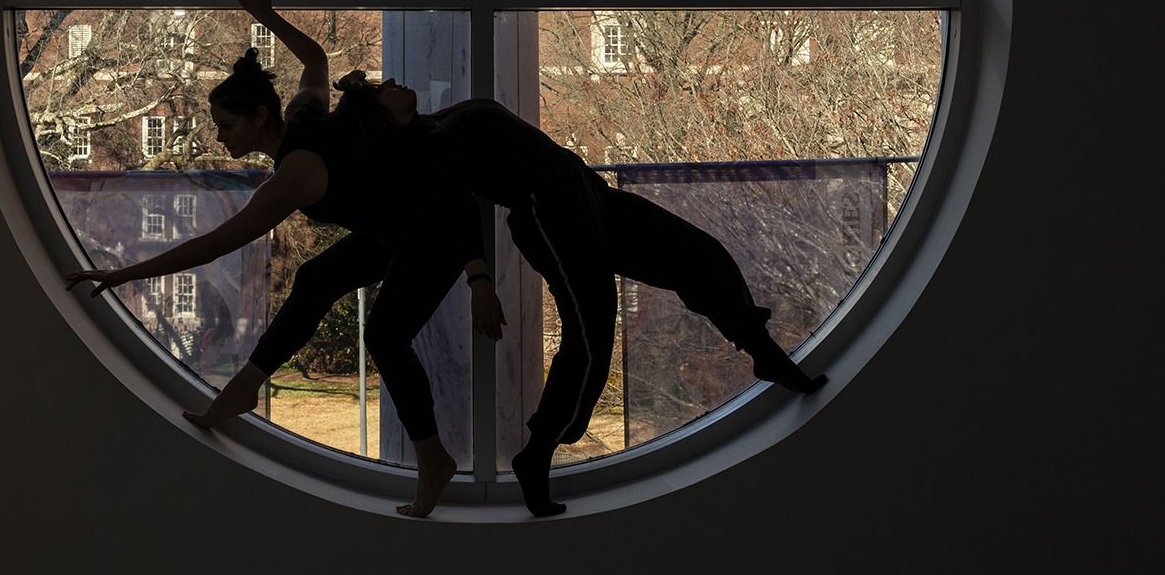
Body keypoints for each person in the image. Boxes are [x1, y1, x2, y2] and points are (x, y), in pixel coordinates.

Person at [188, 83, 827, 518]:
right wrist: (479, 279)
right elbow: (454, 207)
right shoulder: (432, 147)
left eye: (399, 92)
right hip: (547, 210)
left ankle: (763, 350)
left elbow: (317, 78)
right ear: (386, 121)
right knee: (590, 326)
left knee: (698, 255)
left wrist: (270, 18)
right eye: (393, 98)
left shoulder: (448, 122)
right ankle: (537, 453)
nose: (406, 96)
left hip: (580, 188)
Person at [64, 0, 503, 518]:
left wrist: (123, 275)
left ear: (259, 118)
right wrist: (266, 15)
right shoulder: (302, 111)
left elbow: (210, 246)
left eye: (227, 126)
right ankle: (248, 388)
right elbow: (315, 58)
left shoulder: (292, 178)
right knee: (317, 279)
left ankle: (433, 460)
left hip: (432, 232)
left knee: (386, 334)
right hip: (396, 229)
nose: (221, 138)